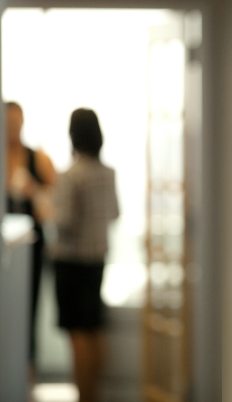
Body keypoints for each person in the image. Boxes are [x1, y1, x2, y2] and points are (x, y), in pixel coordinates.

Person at [52, 108, 119, 402]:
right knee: (93, 328)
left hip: (71, 261)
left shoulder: (70, 176)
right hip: (97, 260)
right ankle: (95, 394)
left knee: (77, 332)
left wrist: (45, 206)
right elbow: (116, 213)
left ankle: (84, 395)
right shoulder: (108, 174)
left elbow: (64, 222)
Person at [5, 101, 56, 371]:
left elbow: (54, 206)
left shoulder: (38, 158)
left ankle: (27, 373)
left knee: (28, 310)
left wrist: (33, 191)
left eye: (17, 122)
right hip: (6, 248)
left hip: (31, 249)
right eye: (8, 122)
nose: (13, 128)